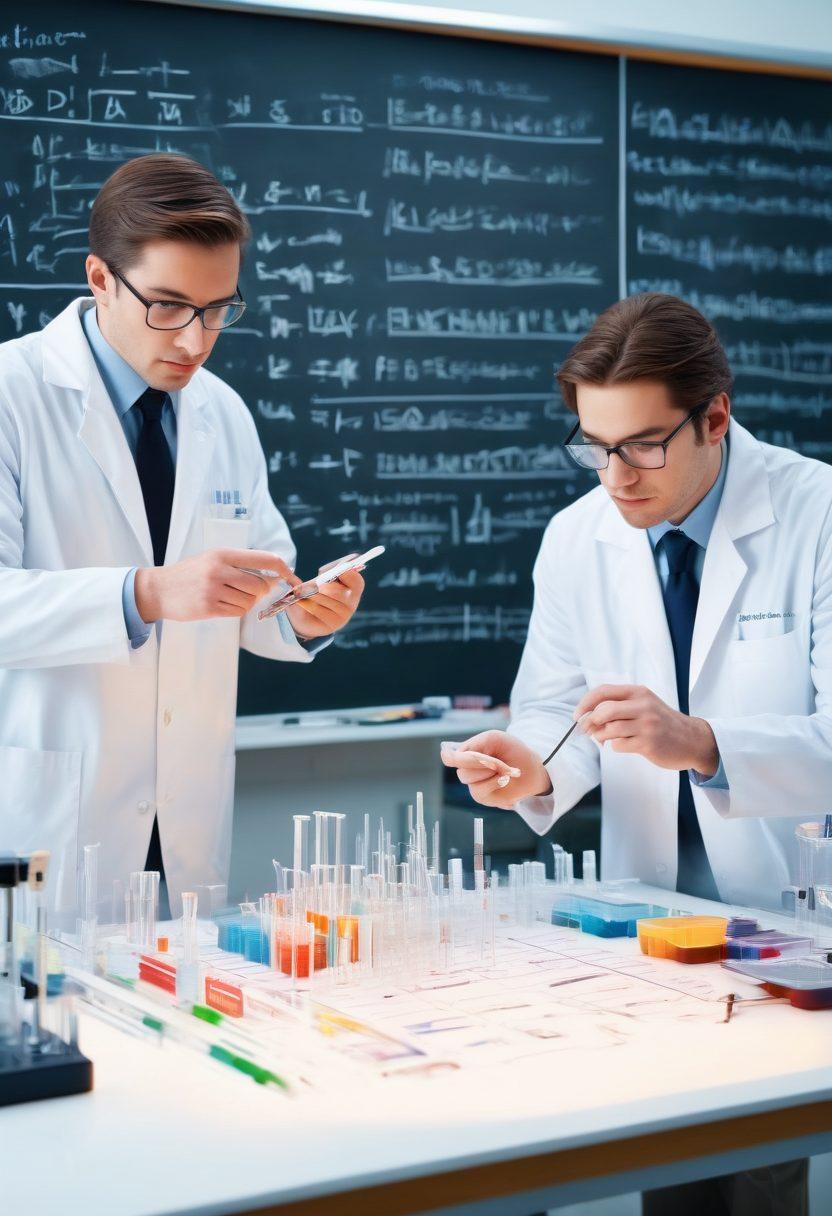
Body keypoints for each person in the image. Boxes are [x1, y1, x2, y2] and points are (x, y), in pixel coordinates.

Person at [443, 292, 827, 1215]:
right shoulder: (578, 538)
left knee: (760, 1163)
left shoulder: (818, 516)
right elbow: (555, 712)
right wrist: (531, 765)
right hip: (649, 913)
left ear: (717, 416)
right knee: (674, 1159)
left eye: (644, 444)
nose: (617, 476)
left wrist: (700, 742)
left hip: (790, 904)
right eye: (595, 445)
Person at [0, 154, 364, 919]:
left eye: (217, 309)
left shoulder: (221, 411)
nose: (195, 341)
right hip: (53, 815)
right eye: (167, 306)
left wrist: (300, 615)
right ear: (100, 279)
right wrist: (148, 592)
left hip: (184, 818)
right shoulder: (13, 395)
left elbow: (256, 588)